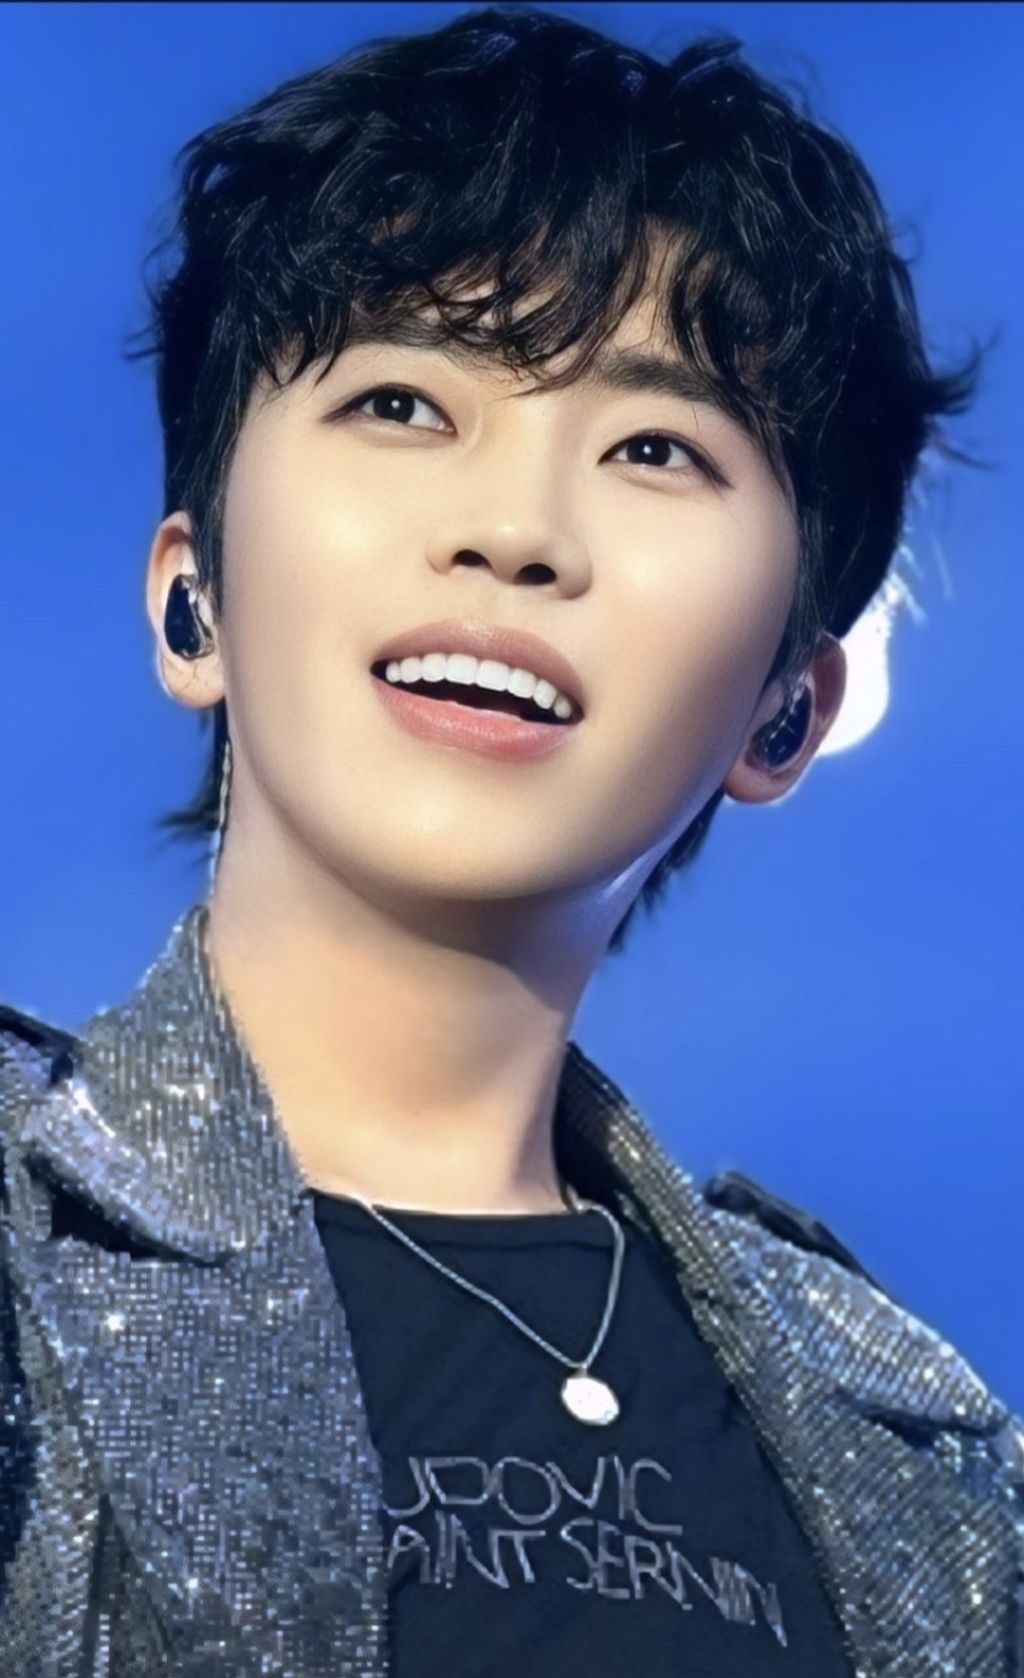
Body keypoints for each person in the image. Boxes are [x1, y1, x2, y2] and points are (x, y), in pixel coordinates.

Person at [2, 6, 1021, 1675]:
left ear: (784, 712)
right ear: (196, 599)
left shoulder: (930, 1461)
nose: (514, 530)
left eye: (654, 447)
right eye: (404, 401)